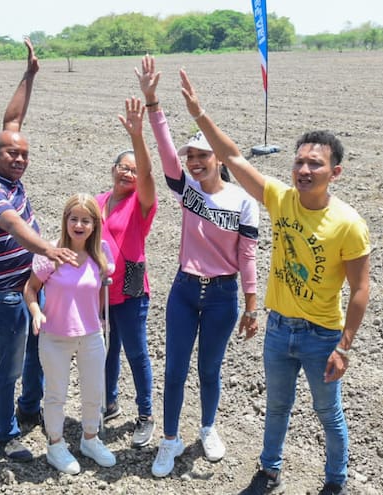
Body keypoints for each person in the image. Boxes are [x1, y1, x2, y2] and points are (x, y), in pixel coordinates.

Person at [175, 70, 371, 495]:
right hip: (280, 326)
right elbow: (232, 157)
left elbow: (360, 289)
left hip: (323, 335)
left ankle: (334, 482)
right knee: (277, 406)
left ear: (334, 172)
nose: (303, 169)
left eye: (314, 164)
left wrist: (344, 346)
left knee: (328, 413)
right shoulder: (281, 199)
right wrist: (200, 114)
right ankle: (269, 469)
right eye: (299, 161)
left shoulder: (349, 224)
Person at [137, 55, 261, 479]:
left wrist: (251, 302)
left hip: (224, 295)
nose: (194, 161)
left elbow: (247, 254)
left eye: (203, 155)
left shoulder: (243, 202)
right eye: (191, 156)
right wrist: (154, 104)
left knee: (210, 368)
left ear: (219, 159)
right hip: (186, 290)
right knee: (174, 369)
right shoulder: (185, 190)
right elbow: (165, 149)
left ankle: (207, 428)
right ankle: (169, 439)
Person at [0, 41, 77, 462]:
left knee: (40, 352)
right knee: (11, 365)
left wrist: (30, 74)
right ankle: (6, 432)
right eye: (12, 152)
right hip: (9, 294)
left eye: (24, 154)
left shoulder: (9, 175)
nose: (19, 158)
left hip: (34, 284)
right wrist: (52, 249)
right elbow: (15, 229)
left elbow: (12, 119)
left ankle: (29, 409)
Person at [24, 193, 116, 475]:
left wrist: (97, 317)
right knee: (56, 394)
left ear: (93, 224)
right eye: (73, 218)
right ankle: (55, 444)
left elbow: (101, 288)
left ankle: (90, 438)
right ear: (65, 221)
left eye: (85, 220)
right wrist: (36, 312)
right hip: (55, 336)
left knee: (94, 390)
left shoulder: (101, 253)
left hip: (90, 334)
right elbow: (30, 289)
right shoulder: (51, 253)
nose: (79, 224)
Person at [96, 97, 158, 448]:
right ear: (113, 169)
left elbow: (149, 176)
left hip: (132, 284)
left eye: (133, 170)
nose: (128, 173)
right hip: (101, 288)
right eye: (123, 166)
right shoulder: (99, 200)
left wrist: (138, 136)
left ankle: (146, 414)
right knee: (106, 348)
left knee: (136, 351)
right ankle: (109, 402)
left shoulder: (142, 203)